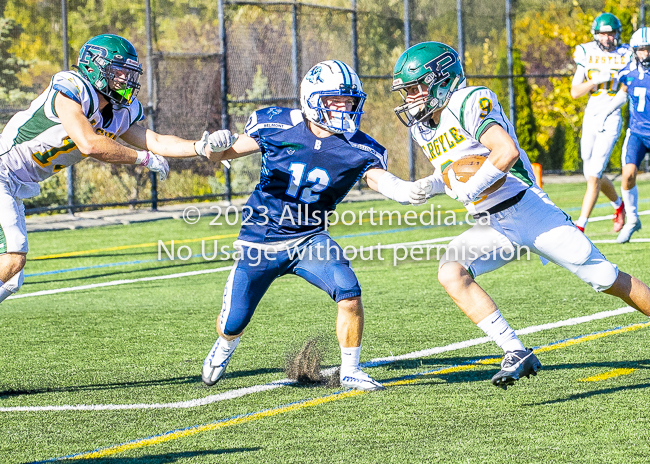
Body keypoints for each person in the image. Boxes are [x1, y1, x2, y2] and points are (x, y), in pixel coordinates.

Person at [391, 41, 650, 389]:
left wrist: (470, 188)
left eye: (415, 89)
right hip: (493, 223)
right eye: (407, 91)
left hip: (528, 210)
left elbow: (505, 151)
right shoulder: (424, 126)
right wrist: (429, 185)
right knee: (452, 272)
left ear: (441, 79)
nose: (411, 99)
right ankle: (515, 350)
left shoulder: (469, 101)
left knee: (606, 278)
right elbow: (457, 169)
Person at [201, 60, 428, 391]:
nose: (344, 108)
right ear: (312, 98)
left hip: (309, 238)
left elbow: (376, 177)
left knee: (349, 293)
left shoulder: (358, 146)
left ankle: (350, 370)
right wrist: (213, 147)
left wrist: (402, 190)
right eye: (335, 100)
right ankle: (223, 348)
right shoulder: (277, 124)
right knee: (233, 322)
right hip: (260, 238)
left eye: (349, 101)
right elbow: (220, 156)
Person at [0, 34, 223, 304]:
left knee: (11, 279)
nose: (125, 79)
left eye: (129, 73)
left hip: (13, 184)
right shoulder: (71, 88)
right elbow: (89, 144)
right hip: (2, 172)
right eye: (119, 71)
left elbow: (156, 141)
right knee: (13, 259)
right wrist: (143, 159)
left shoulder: (120, 110)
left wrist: (200, 147)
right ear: (95, 67)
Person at [570, 12, 630, 233]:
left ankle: (580, 225)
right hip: (591, 114)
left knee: (594, 173)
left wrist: (611, 106)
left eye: (611, 33)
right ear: (596, 35)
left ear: (617, 34)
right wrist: (595, 80)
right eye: (603, 34)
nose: (607, 38)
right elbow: (575, 92)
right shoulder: (586, 52)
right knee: (590, 171)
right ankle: (618, 205)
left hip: (612, 114)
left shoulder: (627, 54)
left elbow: (627, 88)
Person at [595, 27, 650, 243]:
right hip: (637, 132)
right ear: (635, 51)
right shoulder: (627, 72)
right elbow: (624, 94)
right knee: (627, 175)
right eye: (642, 50)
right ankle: (633, 219)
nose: (645, 54)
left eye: (649, 49)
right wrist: (605, 113)